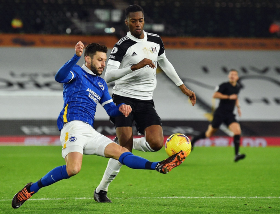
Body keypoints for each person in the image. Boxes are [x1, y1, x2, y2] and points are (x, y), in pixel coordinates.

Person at [11, 41, 187, 209]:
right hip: (72, 125)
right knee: (73, 169)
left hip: (89, 130)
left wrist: (122, 108)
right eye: (100, 60)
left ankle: (157, 165)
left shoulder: (101, 84)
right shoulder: (76, 73)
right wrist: (75, 57)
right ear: (87, 59)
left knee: (121, 152)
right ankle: (32, 188)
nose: (103, 64)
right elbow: (59, 77)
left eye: (105, 60)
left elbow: (111, 110)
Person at [94, 4, 196, 203]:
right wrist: (134, 66)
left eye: (140, 20)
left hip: (146, 100)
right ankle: (101, 190)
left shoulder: (156, 41)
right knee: (124, 150)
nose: (138, 24)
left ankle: (126, 144)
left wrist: (182, 87)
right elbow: (108, 76)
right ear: (127, 22)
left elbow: (165, 62)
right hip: (123, 99)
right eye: (133, 21)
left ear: (144, 20)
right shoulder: (121, 46)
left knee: (157, 143)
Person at [191, 69, 246, 162]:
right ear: (229, 76)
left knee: (237, 132)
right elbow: (215, 95)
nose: (232, 76)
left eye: (234, 74)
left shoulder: (237, 87)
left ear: (237, 77)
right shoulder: (224, 85)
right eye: (231, 74)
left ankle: (237, 154)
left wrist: (239, 107)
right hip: (220, 113)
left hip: (230, 114)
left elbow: (235, 97)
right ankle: (193, 141)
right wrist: (228, 97)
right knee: (209, 134)